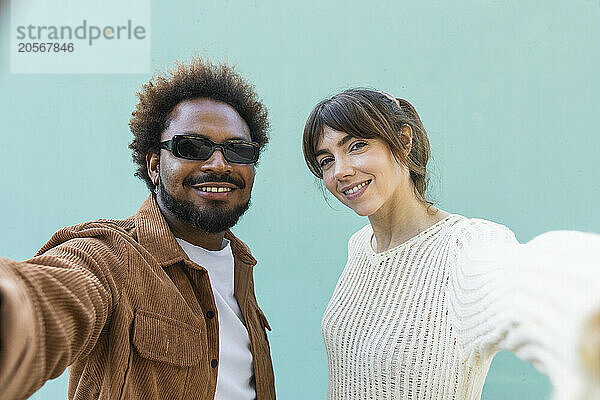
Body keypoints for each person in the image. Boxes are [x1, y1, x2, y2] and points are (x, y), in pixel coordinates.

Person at [0, 59, 276, 400]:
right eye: (191, 147)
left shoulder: (241, 270)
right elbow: (40, 302)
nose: (218, 164)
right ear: (155, 165)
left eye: (237, 150)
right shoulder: (108, 258)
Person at [302, 88, 600, 399]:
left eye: (357, 146)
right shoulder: (360, 246)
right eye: (326, 160)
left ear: (404, 140)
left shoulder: (468, 246)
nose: (341, 171)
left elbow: (531, 288)